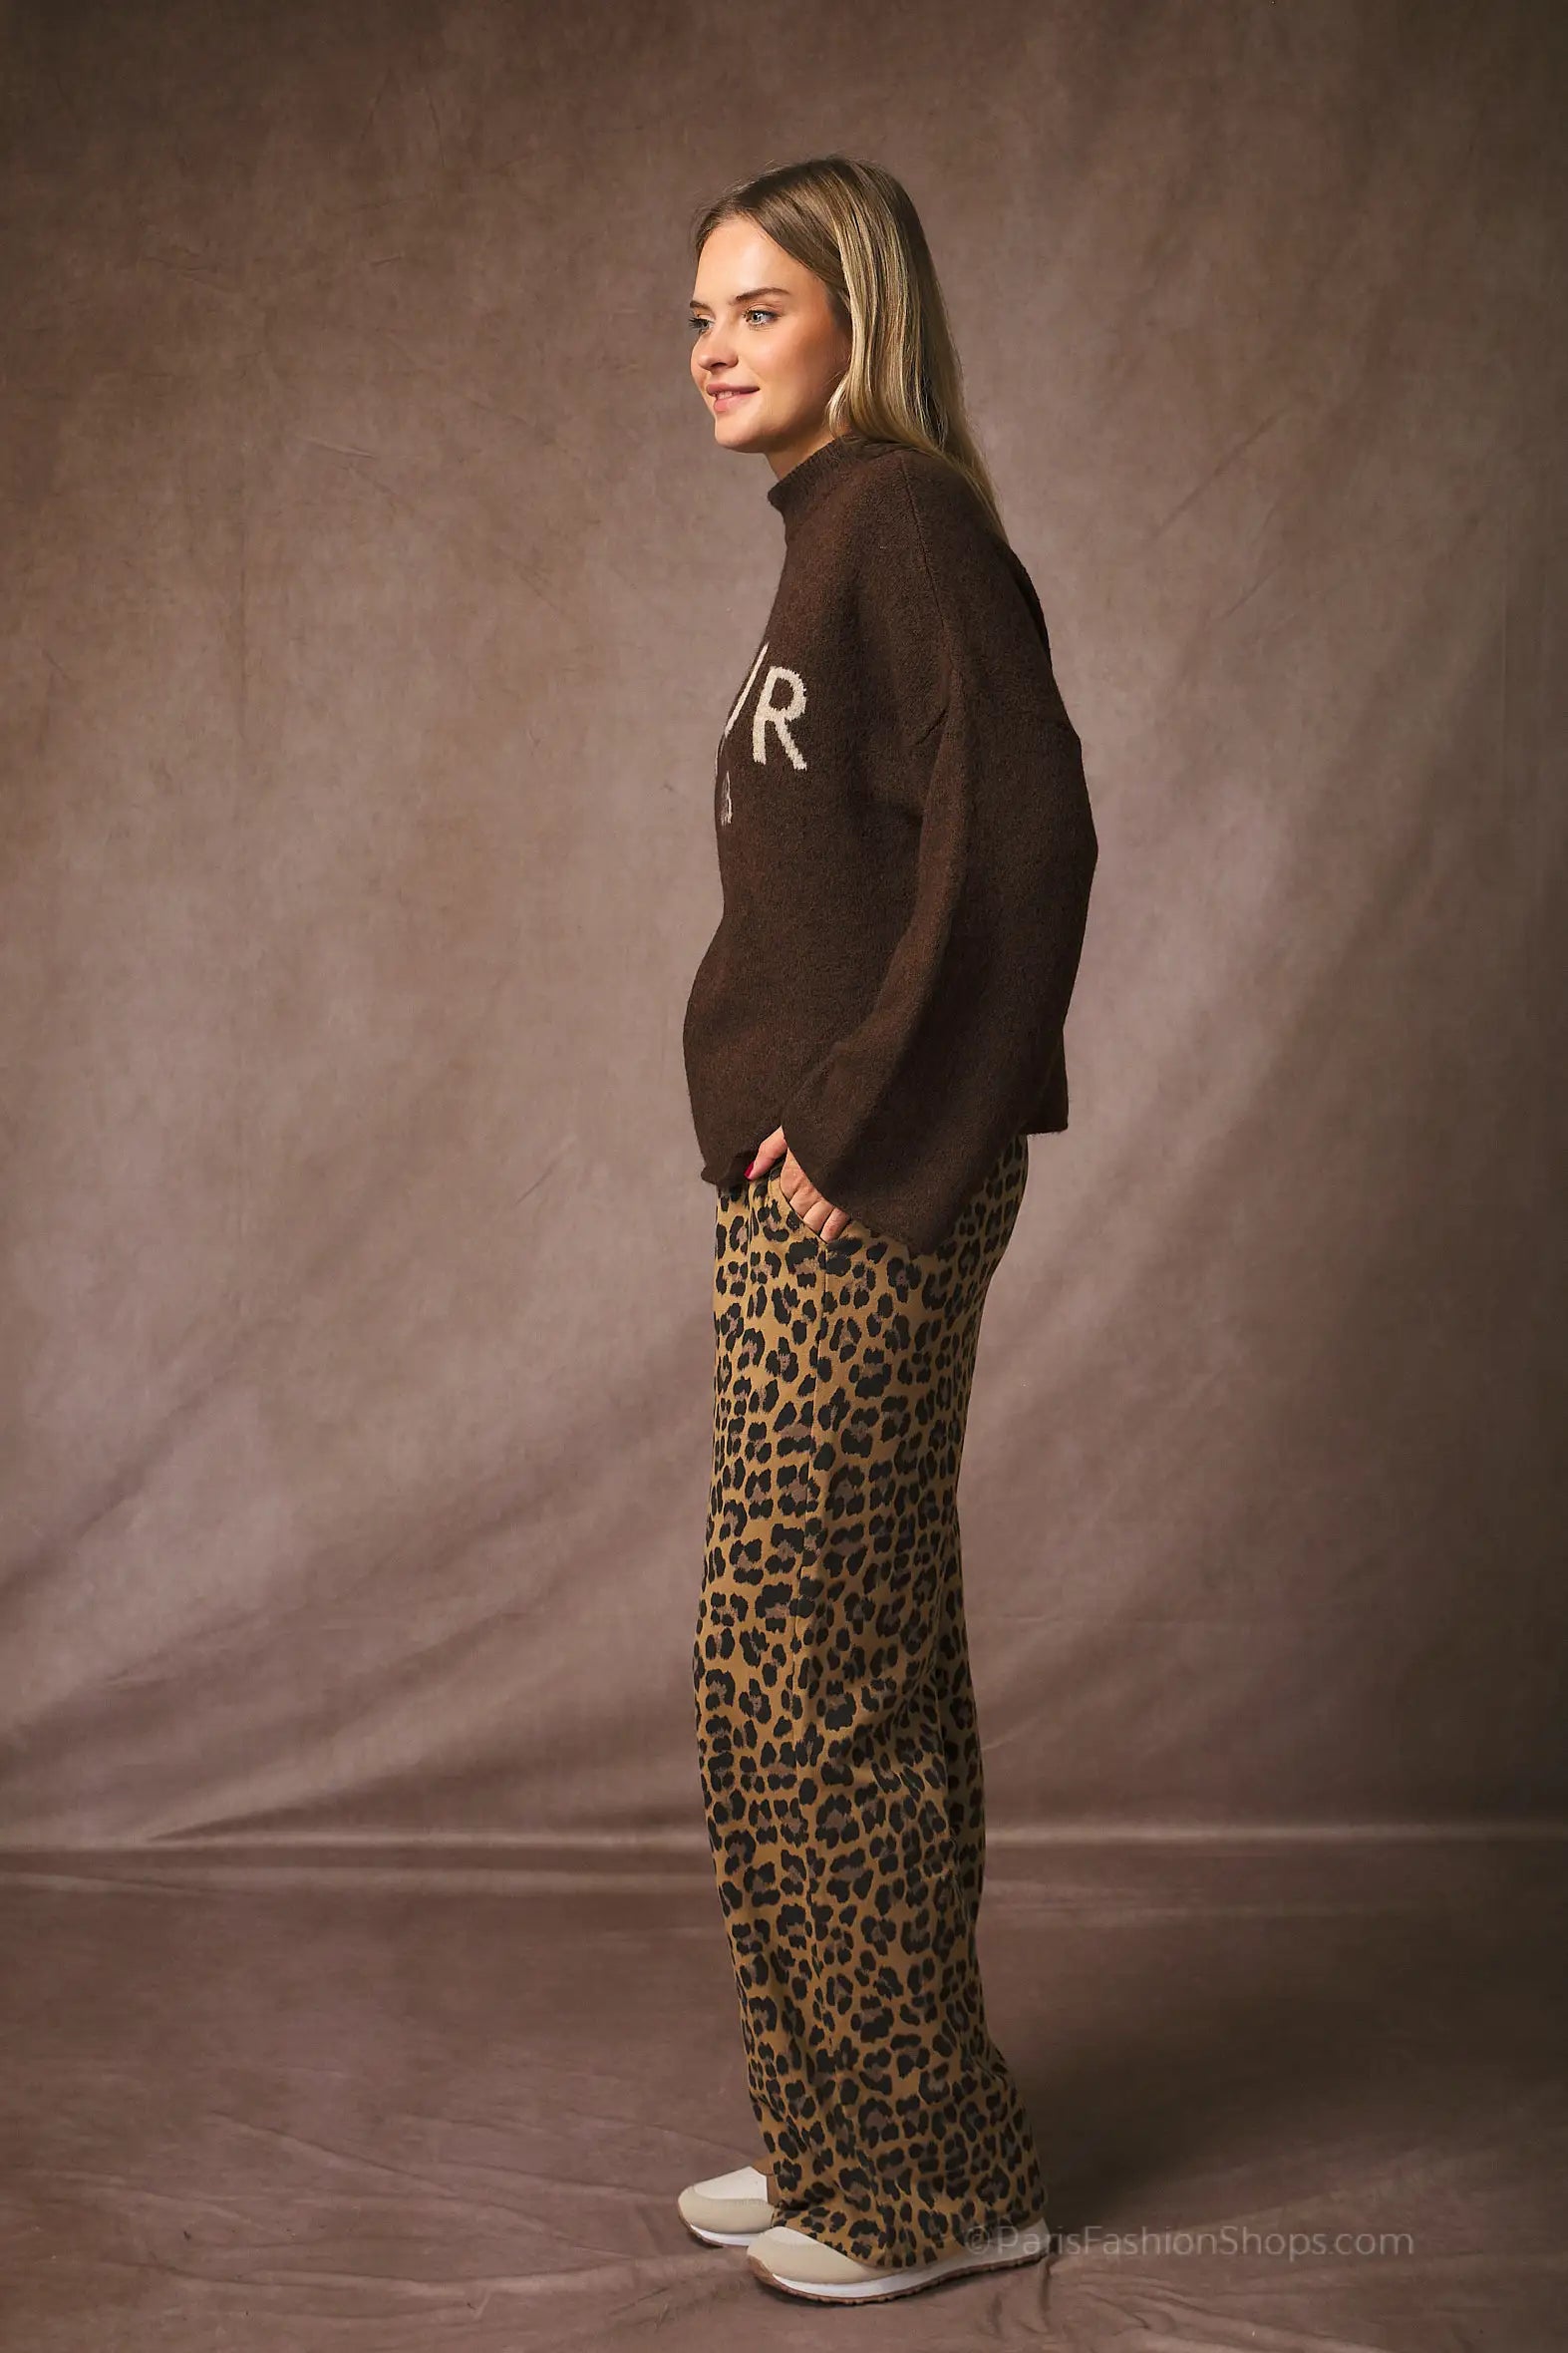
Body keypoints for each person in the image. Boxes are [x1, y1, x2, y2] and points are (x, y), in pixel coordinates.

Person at [676, 155, 1098, 2306]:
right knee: (824, 1672)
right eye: (698, 317)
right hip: (812, 1183)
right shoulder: (826, 535)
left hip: (874, 1181)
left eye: (757, 308)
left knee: (804, 1679)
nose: (712, 349)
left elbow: (1022, 846)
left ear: (863, 317)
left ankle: (927, 2185)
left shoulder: (905, 525)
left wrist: (850, 1132)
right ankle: (849, 2133)